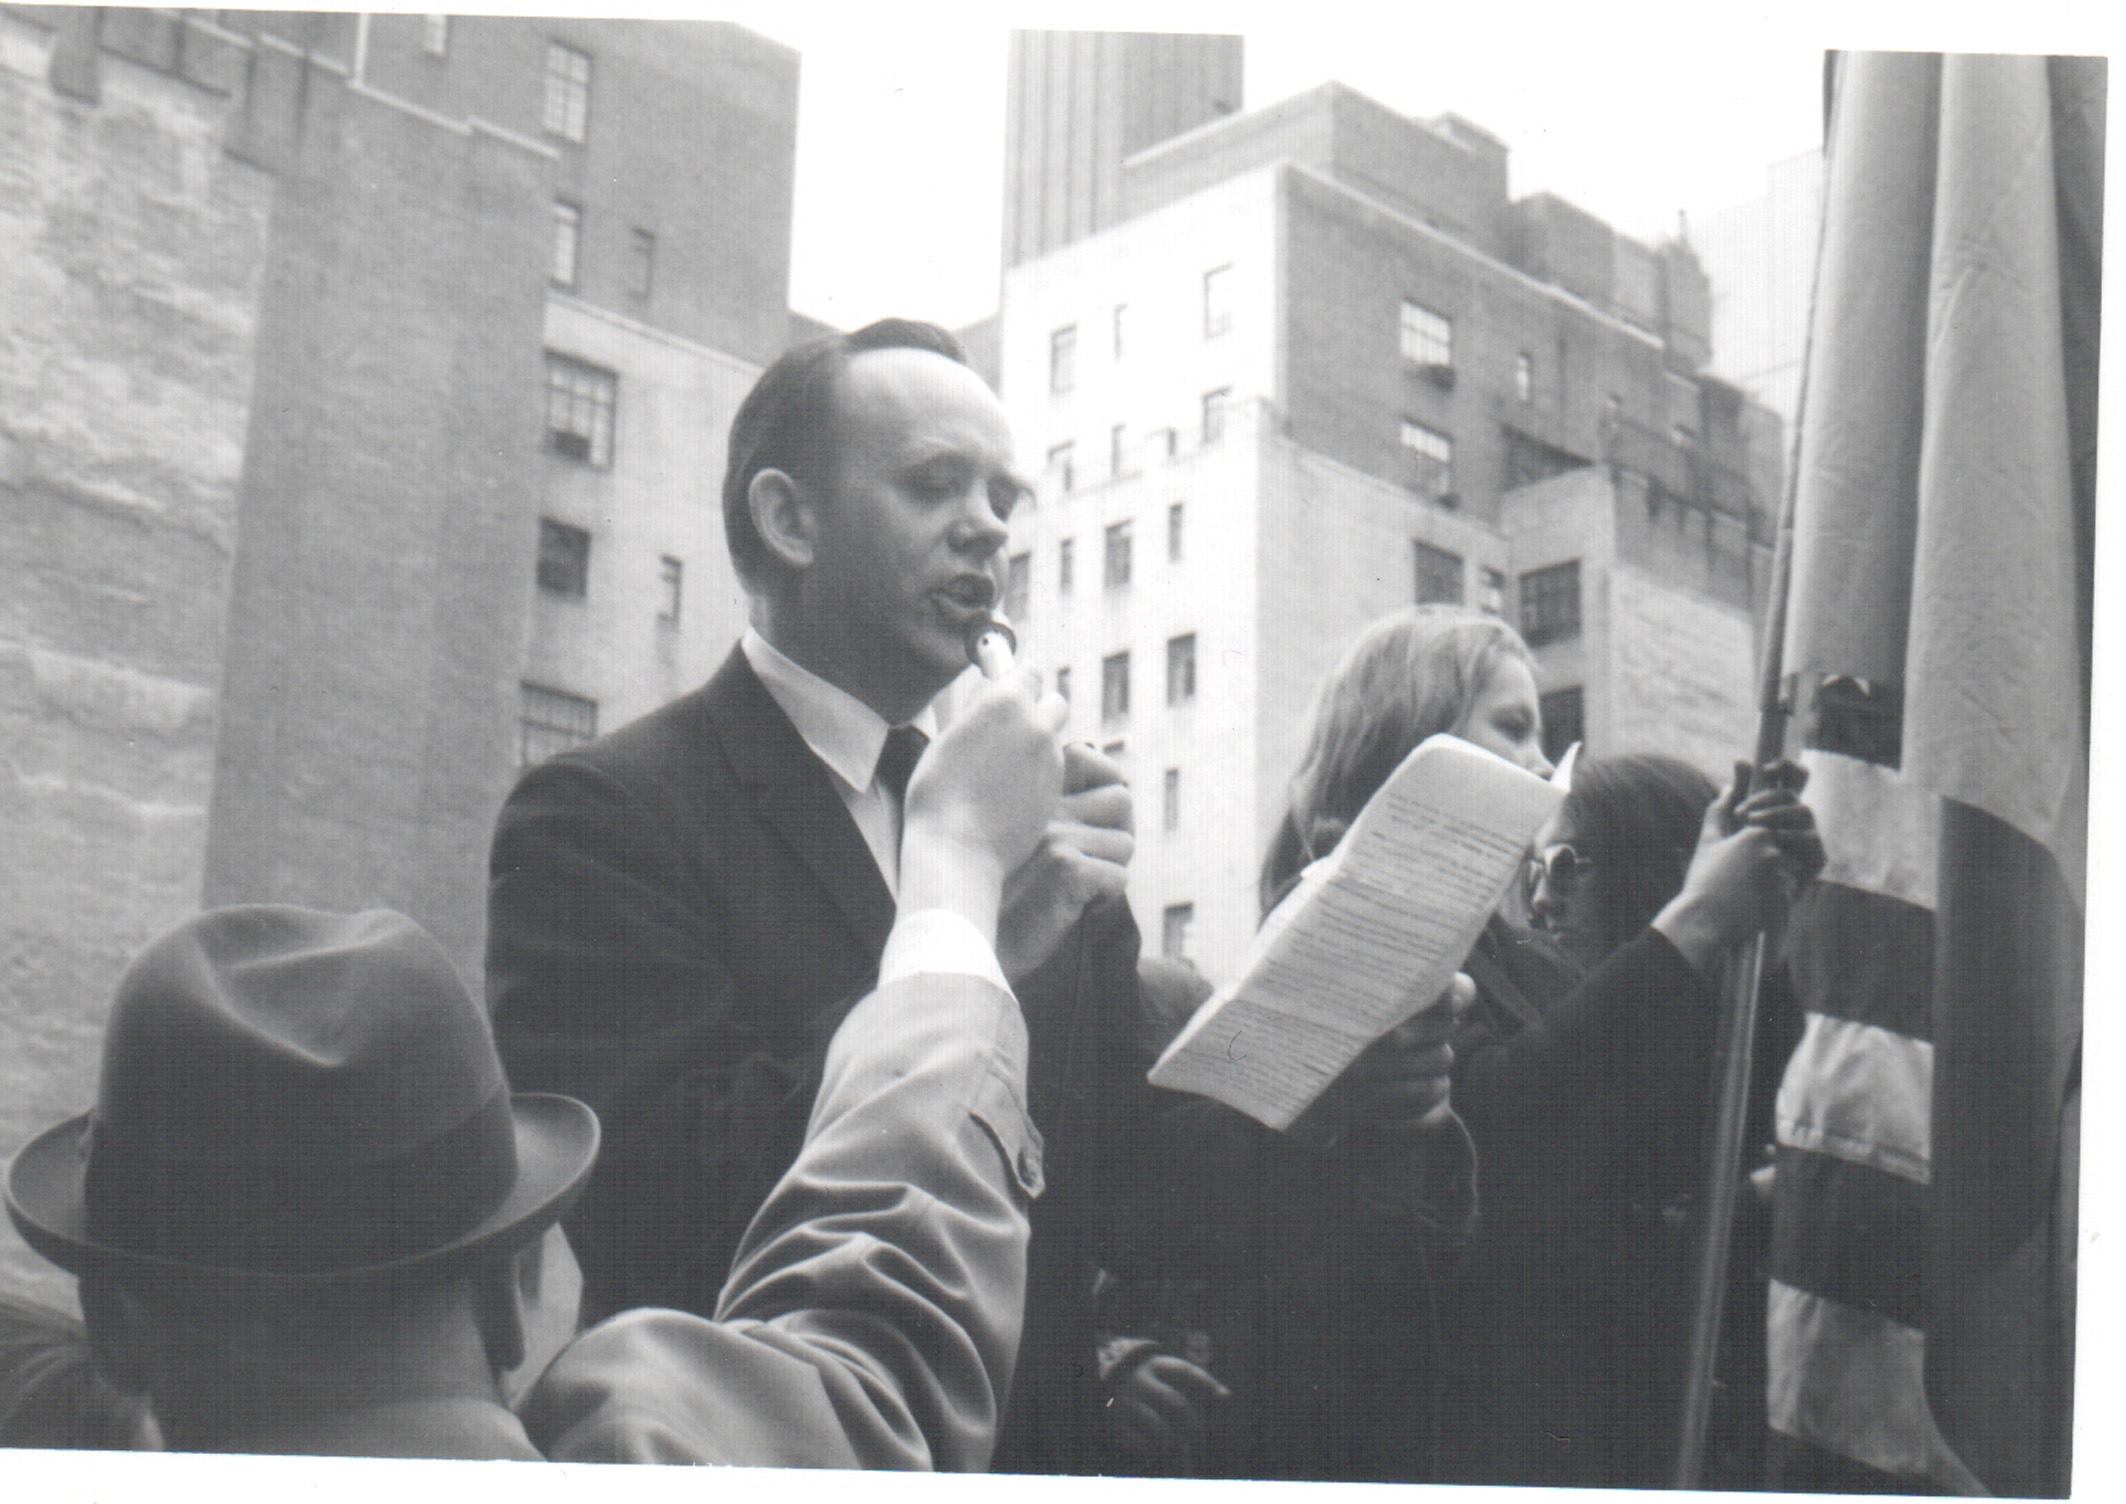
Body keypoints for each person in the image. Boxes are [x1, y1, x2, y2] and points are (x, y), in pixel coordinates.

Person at [5, 663, 1073, 1466]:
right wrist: (953, 876)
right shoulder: (673, 1448)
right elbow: (884, 1292)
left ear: (116, 1325)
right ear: (514, 1288)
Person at [486, 317, 1145, 1473]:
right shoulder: (598, 815)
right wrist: (975, 945)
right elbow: (660, 1220)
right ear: (787, 519)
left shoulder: (1022, 816)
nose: (990, 525)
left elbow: (1125, 1194)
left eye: (1005, 496)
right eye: (936, 483)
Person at [1255, 605, 1821, 1489]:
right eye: (1513, 728)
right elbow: (1495, 1141)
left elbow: (1681, 1133)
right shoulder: (1340, 909)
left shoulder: (1512, 949)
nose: (1540, 771)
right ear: (1412, 737)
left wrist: (1760, 948)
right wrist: (1696, 919)